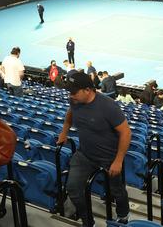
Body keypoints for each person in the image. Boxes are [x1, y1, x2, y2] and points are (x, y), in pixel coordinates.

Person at [58, 72, 131, 226]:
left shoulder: (108, 106)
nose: (71, 95)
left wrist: (118, 161)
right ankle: (88, 221)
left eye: (74, 92)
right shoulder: (74, 100)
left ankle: (123, 215)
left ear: (87, 90)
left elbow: (125, 132)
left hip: (109, 157)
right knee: (72, 189)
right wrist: (64, 132)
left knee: (117, 190)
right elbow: (70, 113)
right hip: (85, 154)